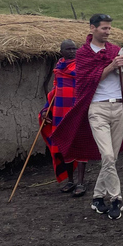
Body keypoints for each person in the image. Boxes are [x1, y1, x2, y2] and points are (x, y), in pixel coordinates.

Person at [52, 14, 123, 220]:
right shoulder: (82, 54)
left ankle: (98, 198)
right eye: (104, 29)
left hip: (120, 107)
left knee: (112, 158)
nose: (108, 32)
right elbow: (87, 81)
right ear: (92, 28)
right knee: (107, 156)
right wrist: (110, 66)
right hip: (96, 109)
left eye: (109, 29)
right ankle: (116, 199)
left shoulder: (114, 50)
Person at [39, 39, 88, 196]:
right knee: (64, 147)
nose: (72, 51)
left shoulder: (82, 67)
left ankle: (81, 183)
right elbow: (54, 92)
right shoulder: (59, 69)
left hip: (78, 111)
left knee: (80, 146)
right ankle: (70, 181)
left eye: (74, 48)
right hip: (61, 112)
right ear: (62, 52)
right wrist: (46, 109)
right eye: (69, 49)